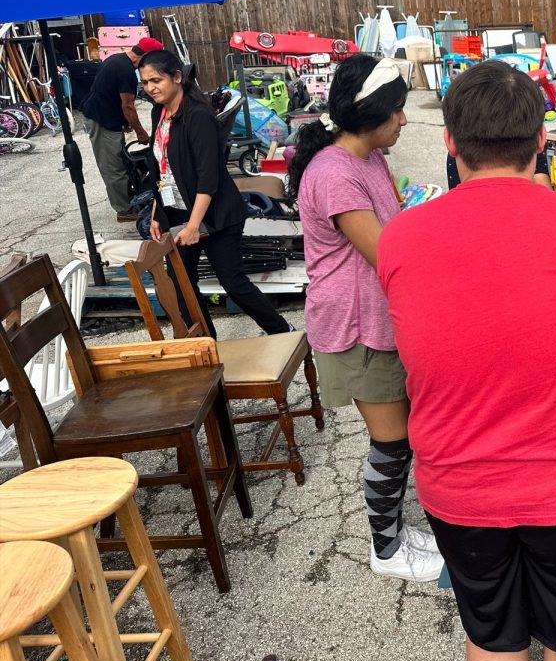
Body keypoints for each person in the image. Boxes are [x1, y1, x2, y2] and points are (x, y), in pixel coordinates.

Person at [377, 61, 556, 661]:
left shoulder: (400, 238)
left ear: (450, 142)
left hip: (460, 489)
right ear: (542, 141)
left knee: (493, 632)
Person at [287, 54, 444, 583]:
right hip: (356, 326)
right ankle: (385, 546)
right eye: (397, 110)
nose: (404, 119)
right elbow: (387, 255)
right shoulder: (334, 173)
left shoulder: (369, 158)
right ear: (373, 112)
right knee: (392, 440)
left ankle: (396, 530)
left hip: (381, 317)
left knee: (402, 436)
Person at [139, 49, 290, 338]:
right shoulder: (159, 111)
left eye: (156, 80)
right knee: (182, 281)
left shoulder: (198, 117)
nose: (150, 88)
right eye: (145, 83)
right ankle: (206, 341)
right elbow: (161, 168)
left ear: (177, 78)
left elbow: (209, 178)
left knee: (232, 282)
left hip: (216, 214)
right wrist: (158, 213)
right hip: (180, 212)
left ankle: (282, 330)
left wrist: (195, 225)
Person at [81, 37, 160, 222]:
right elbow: (128, 106)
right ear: (146, 55)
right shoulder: (126, 72)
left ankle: (127, 200)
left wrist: (124, 123)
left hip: (106, 115)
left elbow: (112, 93)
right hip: (101, 119)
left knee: (121, 160)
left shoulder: (117, 59)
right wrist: (141, 132)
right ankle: (123, 211)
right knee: (113, 167)